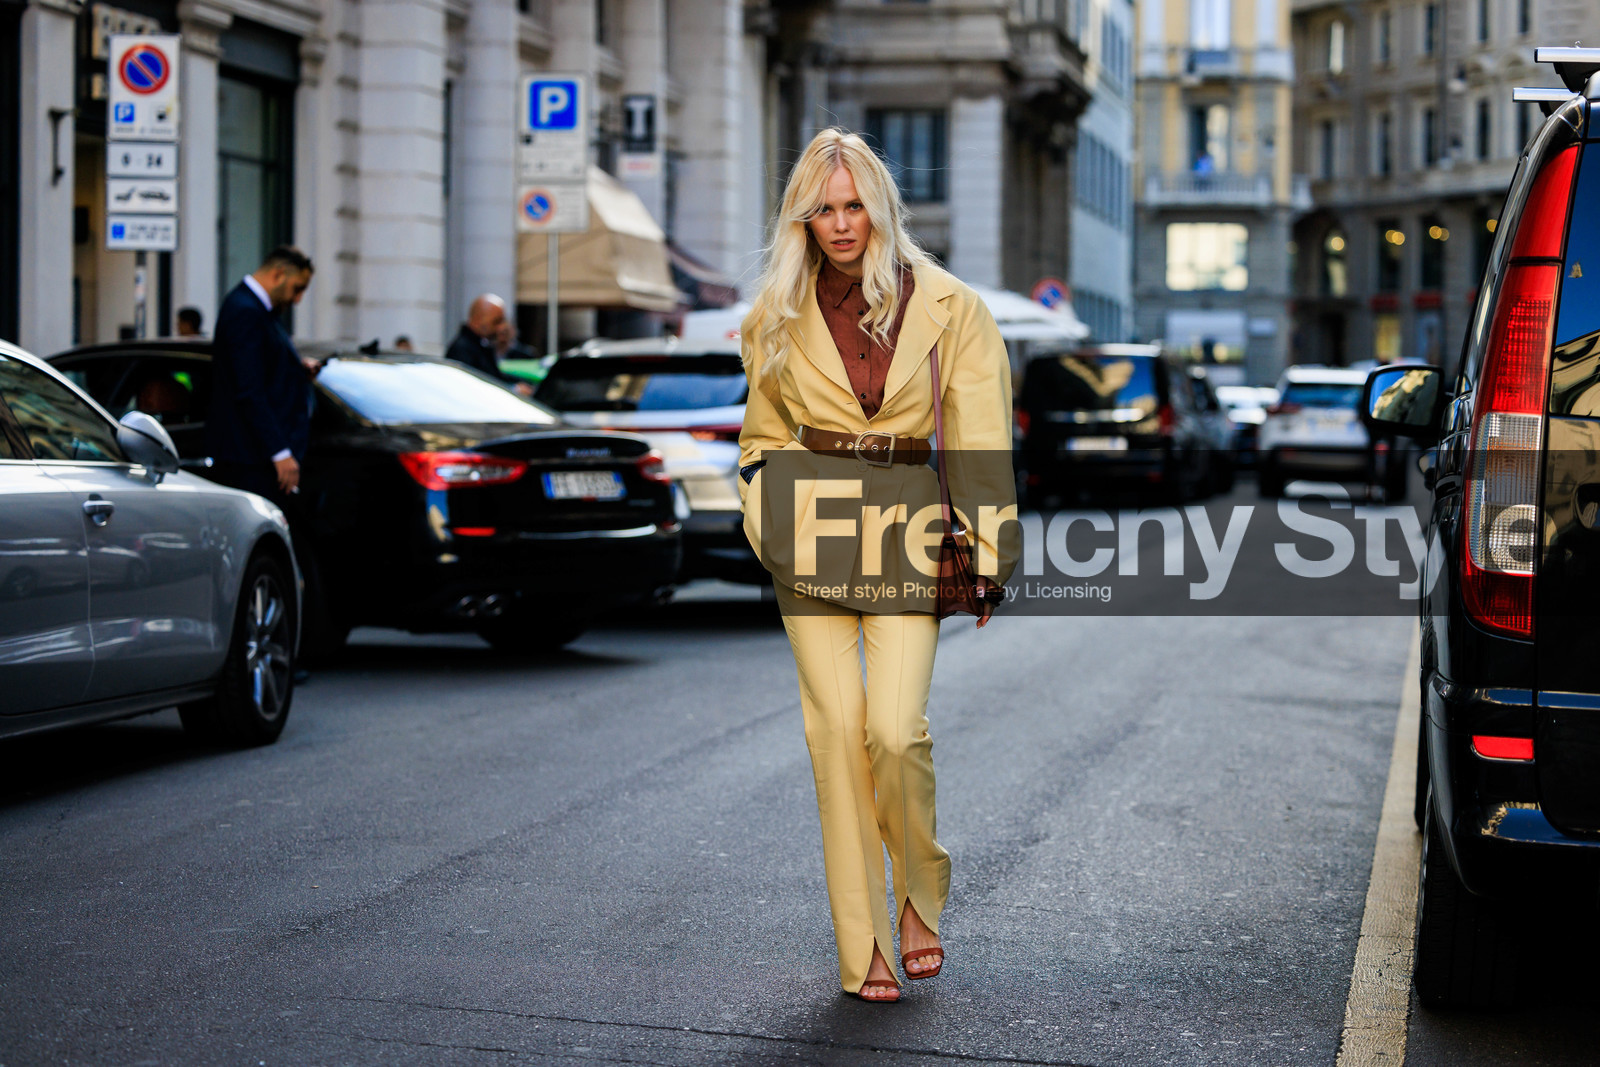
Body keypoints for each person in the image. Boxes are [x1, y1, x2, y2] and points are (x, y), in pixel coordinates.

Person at [737, 128, 1018, 1003]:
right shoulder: (774, 313)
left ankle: (920, 891)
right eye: (822, 208)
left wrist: (989, 549)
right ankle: (861, 942)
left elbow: (977, 434)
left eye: (854, 204)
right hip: (808, 524)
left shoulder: (949, 304)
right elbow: (759, 436)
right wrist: (764, 509)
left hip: (907, 524)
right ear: (802, 219)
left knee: (894, 732)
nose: (840, 222)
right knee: (834, 737)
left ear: (882, 206)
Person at [205, 245, 318, 500]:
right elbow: (249, 390)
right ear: (278, 274)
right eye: (297, 288)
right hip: (251, 461)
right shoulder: (245, 311)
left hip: (257, 458)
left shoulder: (259, 311)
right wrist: (280, 453)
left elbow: (259, 367)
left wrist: (295, 368)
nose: (297, 299)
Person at [445, 294, 534, 397]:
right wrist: (513, 389)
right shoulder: (463, 350)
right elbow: (473, 390)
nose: (501, 328)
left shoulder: (481, 346)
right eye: (496, 322)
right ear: (478, 320)